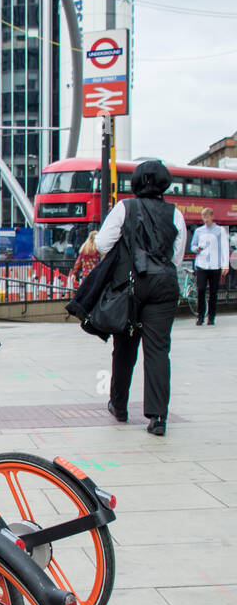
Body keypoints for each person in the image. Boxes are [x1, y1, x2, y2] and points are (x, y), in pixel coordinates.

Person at [95, 158, 186, 437]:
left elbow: (102, 243)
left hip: (131, 285)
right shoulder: (175, 214)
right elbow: (177, 258)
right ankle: (158, 417)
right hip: (164, 286)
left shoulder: (125, 208)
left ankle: (119, 405)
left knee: (125, 347)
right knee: (158, 350)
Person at [190, 207, 229, 326]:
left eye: (207, 217)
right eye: (203, 217)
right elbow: (192, 246)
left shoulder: (220, 230)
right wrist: (196, 249)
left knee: (213, 292)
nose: (205, 220)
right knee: (201, 290)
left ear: (212, 217)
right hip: (201, 264)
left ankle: (211, 317)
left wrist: (225, 264)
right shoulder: (198, 231)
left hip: (215, 265)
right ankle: (200, 315)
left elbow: (224, 247)